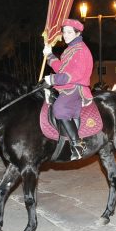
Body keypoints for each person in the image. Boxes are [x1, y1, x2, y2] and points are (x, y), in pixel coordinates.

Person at [43, 18, 93, 160]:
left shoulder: (80, 50)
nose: (65, 35)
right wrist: (50, 55)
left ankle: (77, 143)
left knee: (59, 108)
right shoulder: (70, 49)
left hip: (75, 88)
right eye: (64, 32)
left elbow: (73, 75)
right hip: (69, 87)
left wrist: (52, 79)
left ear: (77, 33)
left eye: (69, 32)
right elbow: (61, 69)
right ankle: (71, 142)